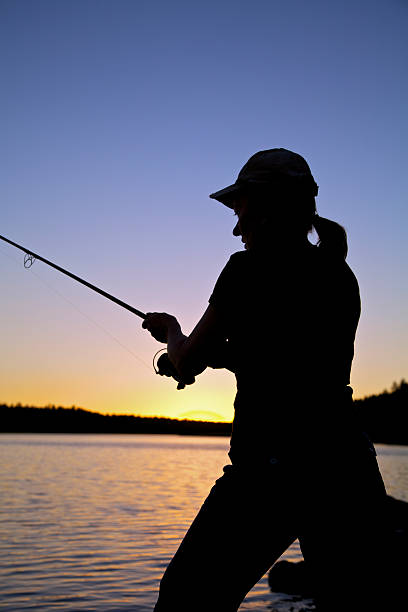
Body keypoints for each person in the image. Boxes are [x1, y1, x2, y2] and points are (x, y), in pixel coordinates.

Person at [142, 149, 388, 611]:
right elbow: (295, 363)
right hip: (345, 466)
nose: (236, 227)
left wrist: (172, 331)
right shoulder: (339, 274)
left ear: (266, 204)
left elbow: (187, 361)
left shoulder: (246, 269)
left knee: (186, 599)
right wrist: (231, 358)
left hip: (268, 473)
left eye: (241, 210)